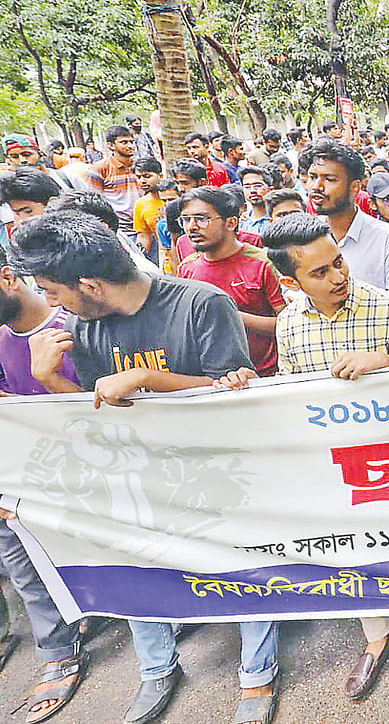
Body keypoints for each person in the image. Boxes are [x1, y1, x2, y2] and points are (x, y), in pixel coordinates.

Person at [12, 210, 280, 724]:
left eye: (52, 290)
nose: (51, 303)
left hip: (218, 472)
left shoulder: (200, 303)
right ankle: (157, 668)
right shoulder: (84, 326)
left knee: (245, 566)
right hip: (136, 477)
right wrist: (48, 380)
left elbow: (236, 395)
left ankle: (257, 673)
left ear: (87, 284)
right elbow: (102, 415)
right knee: (135, 569)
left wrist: (149, 378)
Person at [243, 214, 389, 701]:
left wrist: (385, 364)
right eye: (320, 272)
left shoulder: (387, 310)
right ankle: (376, 635)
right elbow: (292, 392)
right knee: (356, 546)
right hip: (340, 462)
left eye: (339, 262)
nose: (339, 277)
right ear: (290, 282)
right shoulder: (288, 324)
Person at [0, 244, 87, 724]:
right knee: (19, 556)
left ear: (8, 278)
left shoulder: (73, 321)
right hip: (26, 473)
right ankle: (57, 650)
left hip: (92, 464)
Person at [175, 187, 286, 376]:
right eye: (186, 219)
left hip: (265, 377)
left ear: (231, 222)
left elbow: (288, 324)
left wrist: (229, 316)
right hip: (212, 380)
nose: (191, 227)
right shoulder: (187, 269)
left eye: (202, 219)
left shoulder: (264, 264)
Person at [302, 139, 389, 300]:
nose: (317, 186)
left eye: (329, 179)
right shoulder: (304, 237)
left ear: (354, 187)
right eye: (312, 177)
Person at [85, 125, 140, 233]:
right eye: (124, 142)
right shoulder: (99, 169)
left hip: (144, 226)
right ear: (111, 145)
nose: (130, 146)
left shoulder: (140, 166)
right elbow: (95, 202)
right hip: (119, 229)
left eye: (131, 142)